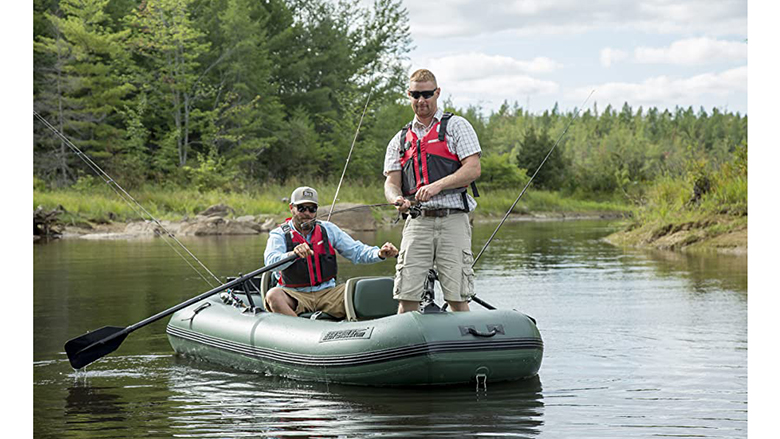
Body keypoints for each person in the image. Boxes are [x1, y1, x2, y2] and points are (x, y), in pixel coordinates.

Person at [383, 68, 481, 314]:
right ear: (409, 95)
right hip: (417, 222)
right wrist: (396, 199)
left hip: (453, 219)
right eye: (416, 95)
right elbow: (391, 182)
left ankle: (465, 346)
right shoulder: (400, 138)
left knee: (458, 296)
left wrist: (437, 185)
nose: (421, 100)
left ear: (437, 93)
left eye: (427, 94)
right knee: (407, 296)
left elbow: (473, 169)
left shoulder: (457, 126)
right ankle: (405, 348)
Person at [264, 186, 399, 319]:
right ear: (291, 208)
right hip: (294, 294)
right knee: (273, 296)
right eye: (302, 208)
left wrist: (379, 254)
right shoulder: (279, 234)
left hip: (329, 293)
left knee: (362, 290)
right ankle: (302, 333)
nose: (307, 213)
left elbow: (357, 251)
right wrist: (291, 255)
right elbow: (270, 262)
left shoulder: (328, 229)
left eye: (312, 209)